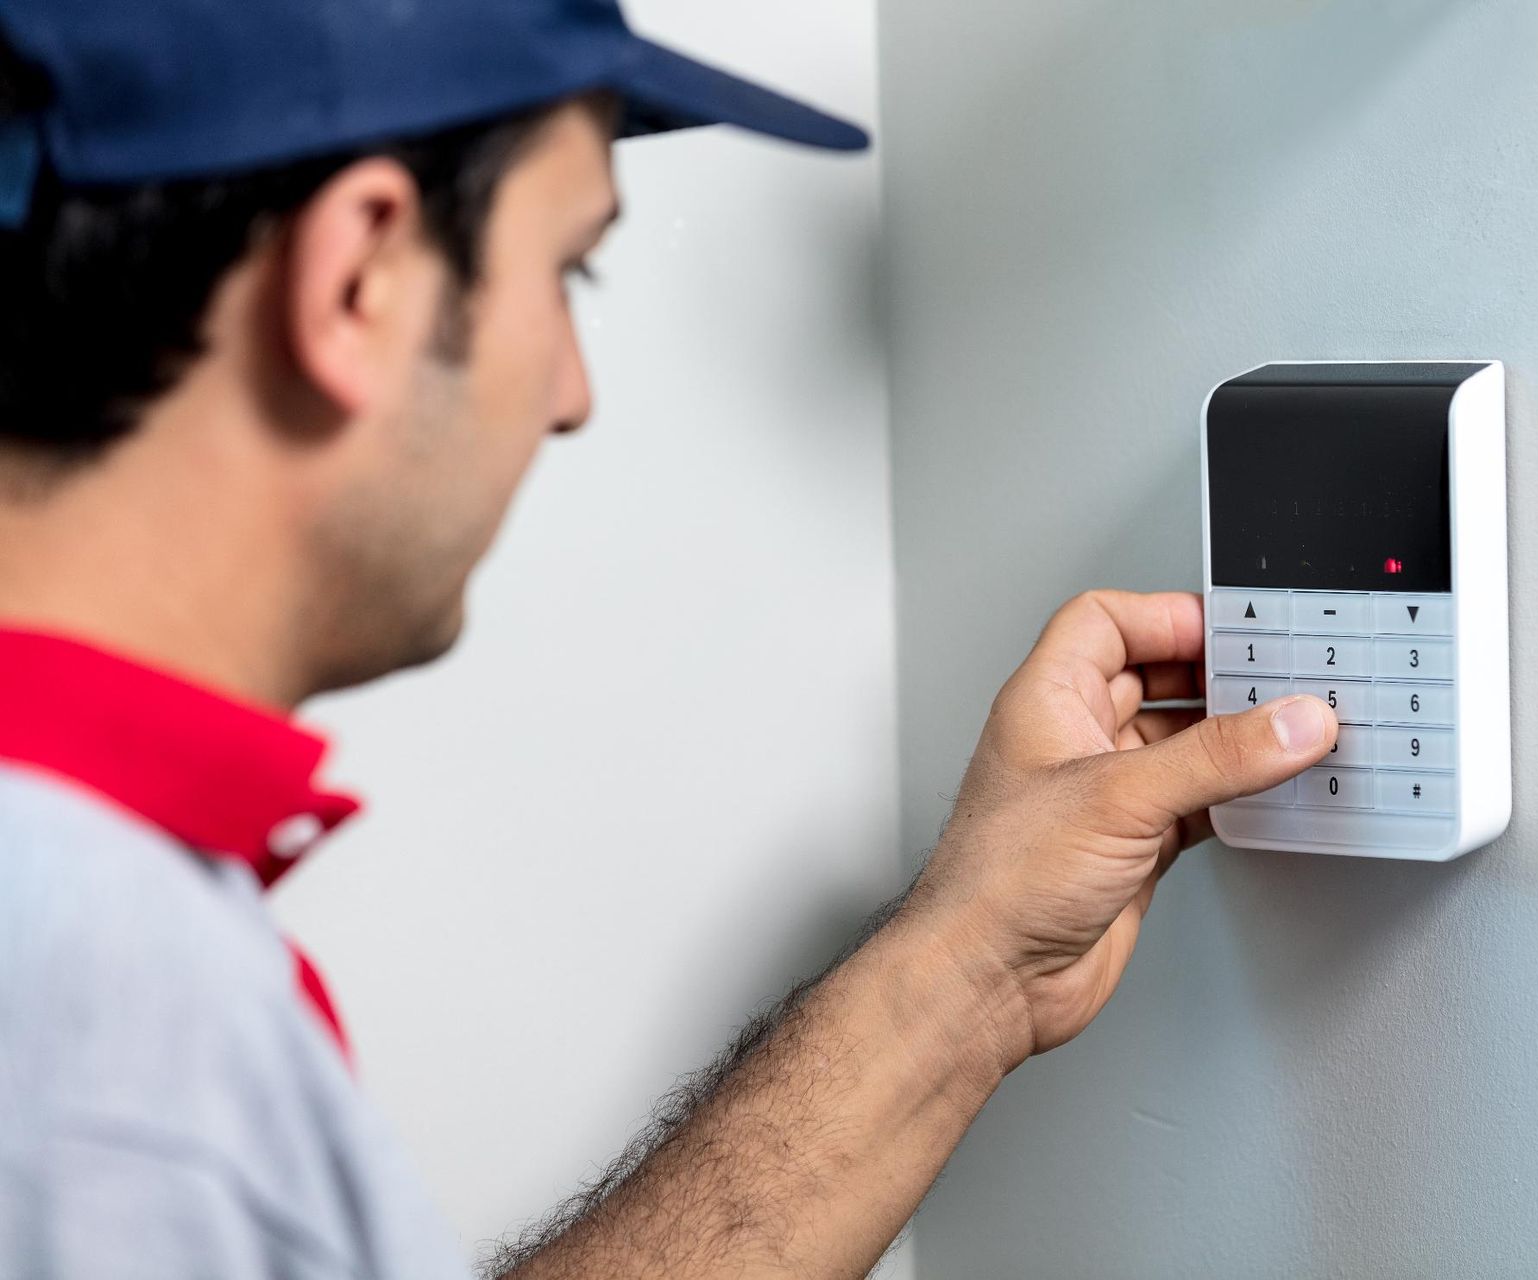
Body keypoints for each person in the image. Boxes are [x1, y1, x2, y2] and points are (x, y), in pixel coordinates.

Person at [0, 0, 1338, 1275]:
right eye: (567, 267)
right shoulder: (108, 1042)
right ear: (359, 276)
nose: (572, 397)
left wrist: (978, 966)